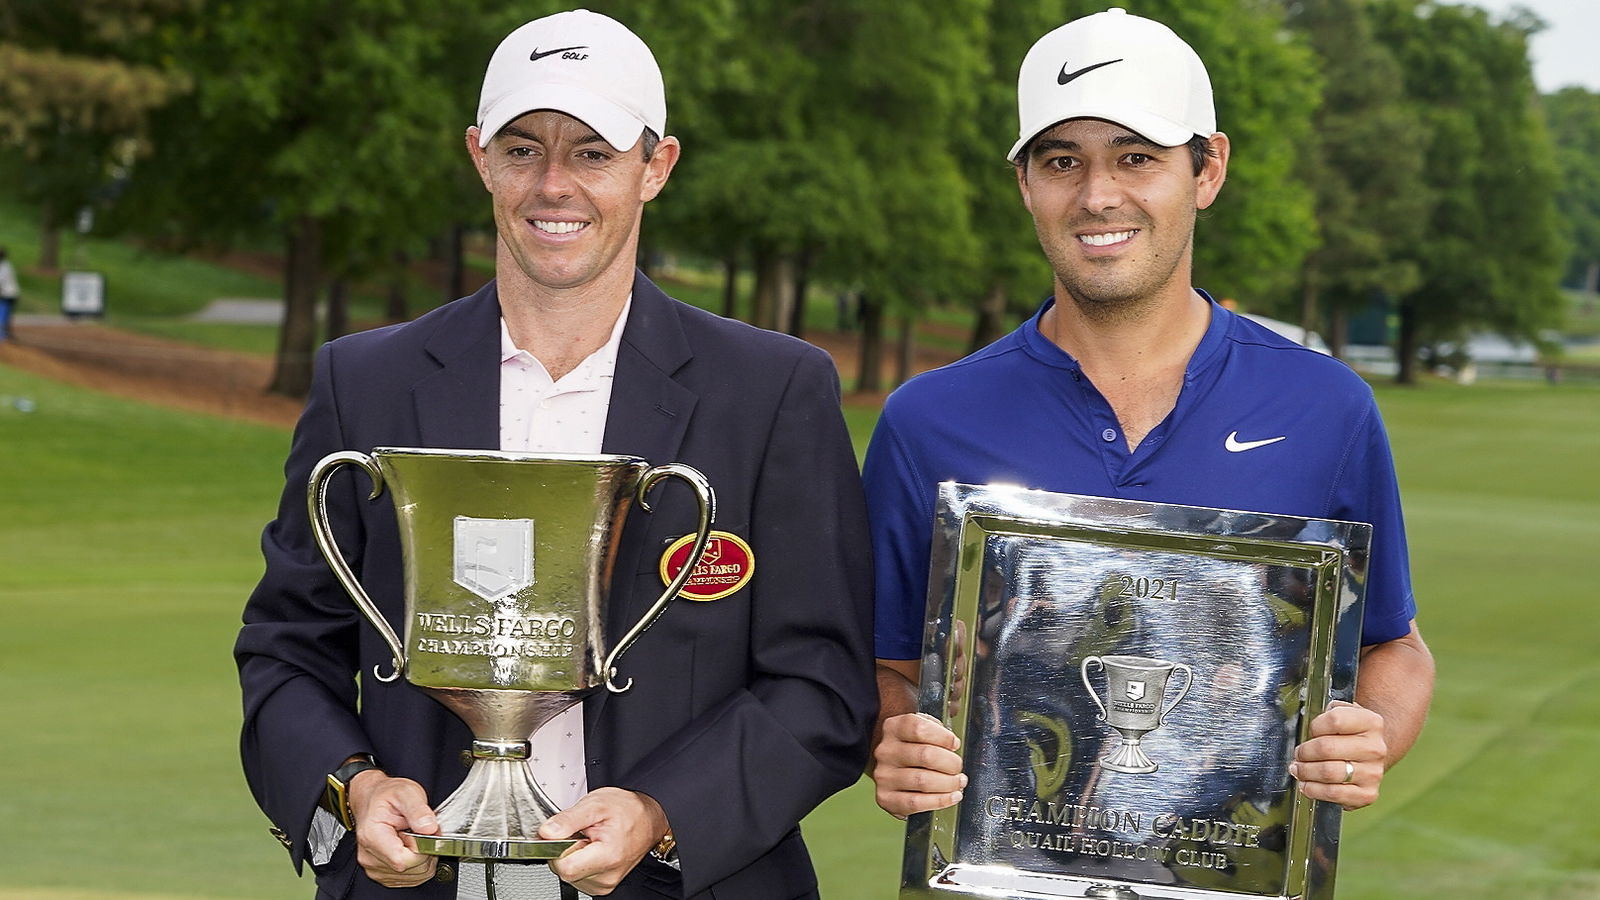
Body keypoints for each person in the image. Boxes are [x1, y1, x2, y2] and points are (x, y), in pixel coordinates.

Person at [235, 10, 875, 899]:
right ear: (478, 157)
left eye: (592, 154)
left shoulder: (772, 392)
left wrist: (661, 812)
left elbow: (823, 689)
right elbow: (284, 647)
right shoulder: (364, 381)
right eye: (523, 148)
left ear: (657, 167)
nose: (553, 185)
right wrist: (355, 789)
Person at [865, 8, 1434, 822]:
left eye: (1137, 157)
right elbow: (879, 664)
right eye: (1063, 161)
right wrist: (892, 735)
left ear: (1207, 170)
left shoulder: (1326, 407)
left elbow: (1395, 646)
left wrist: (1369, 734)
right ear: (1024, 182)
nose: (1099, 196)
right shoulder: (928, 420)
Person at [0, 246, 19, 340]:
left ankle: (3, 334)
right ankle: (5, 333)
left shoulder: (4, 267)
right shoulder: (6, 265)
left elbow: (1, 281)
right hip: (9, 294)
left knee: (3, 313)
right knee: (5, 314)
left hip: (7, 294)